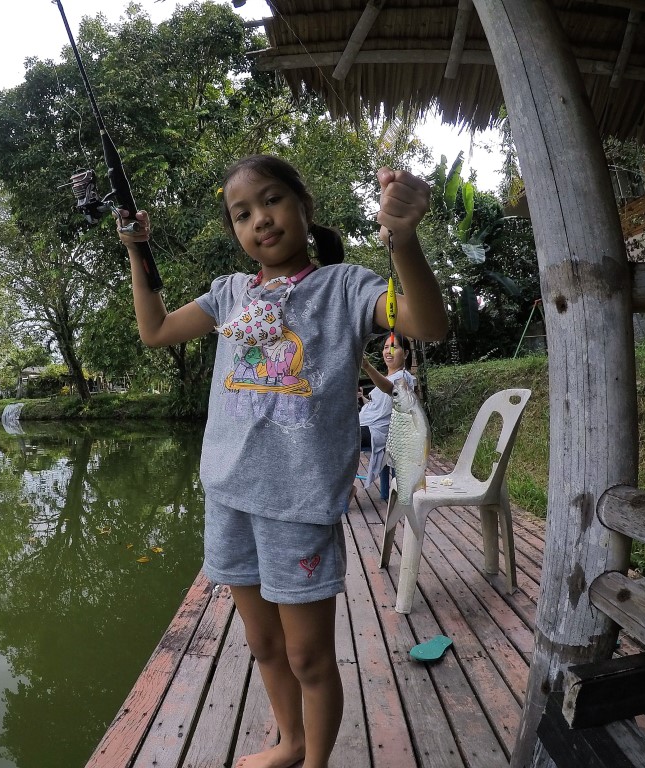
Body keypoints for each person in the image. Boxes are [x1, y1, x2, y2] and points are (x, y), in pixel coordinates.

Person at [116, 155, 447, 768]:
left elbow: (425, 322)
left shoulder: (346, 287)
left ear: (303, 205)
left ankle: (314, 762)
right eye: (242, 214)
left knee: (309, 657)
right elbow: (156, 329)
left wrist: (402, 240)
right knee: (264, 644)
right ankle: (290, 743)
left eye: (270, 201)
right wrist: (139, 253)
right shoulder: (229, 293)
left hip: (298, 504)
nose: (259, 221)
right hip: (229, 495)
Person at [359, 334, 417, 501]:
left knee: (338, 438)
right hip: (365, 424)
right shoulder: (386, 377)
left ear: (405, 353)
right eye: (385, 347)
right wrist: (362, 399)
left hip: (377, 431)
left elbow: (391, 390)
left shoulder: (404, 377)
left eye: (394, 347)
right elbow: (380, 406)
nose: (388, 351)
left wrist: (367, 367)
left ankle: (345, 490)